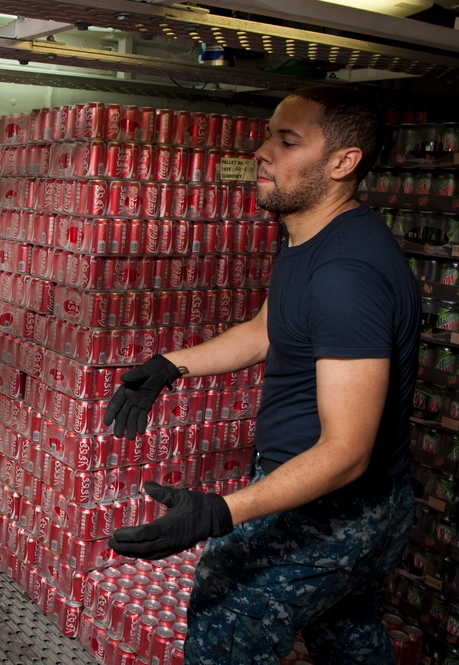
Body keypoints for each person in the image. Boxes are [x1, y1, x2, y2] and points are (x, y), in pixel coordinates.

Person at [103, 85, 418, 664]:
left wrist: (221, 512)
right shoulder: (311, 237)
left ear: (343, 163)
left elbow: (347, 451)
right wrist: (170, 366)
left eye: (287, 140)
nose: (262, 150)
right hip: (363, 505)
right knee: (347, 635)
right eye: (270, 133)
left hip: (330, 507)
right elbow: (266, 330)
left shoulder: (346, 272)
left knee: (225, 622)